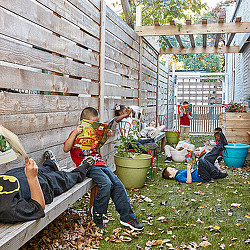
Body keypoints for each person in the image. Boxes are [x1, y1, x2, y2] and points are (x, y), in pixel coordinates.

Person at [64, 107, 144, 230]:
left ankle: (127, 217)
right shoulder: (76, 133)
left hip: (100, 163)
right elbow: (66, 148)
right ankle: (98, 214)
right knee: (106, 184)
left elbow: (98, 146)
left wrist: (105, 136)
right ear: (82, 121)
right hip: (86, 165)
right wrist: (75, 133)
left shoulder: (94, 133)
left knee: (117, 184)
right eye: (92, 123)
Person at [0, 151, 95, 223]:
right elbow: (38, 207)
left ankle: (50, 165)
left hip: (19, 174)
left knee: (44, 169)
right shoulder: (7, 210)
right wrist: (32, 177)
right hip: (43, 184)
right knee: (65, 178)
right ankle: (81, 170)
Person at [162, 131, 228, 183]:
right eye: (170, 169)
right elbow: (188, 181)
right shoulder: (178, 176)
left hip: (201, 171)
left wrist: (194, 163)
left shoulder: (180, 172)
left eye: (170, 167)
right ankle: (216, 174)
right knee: (202, 160)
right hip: (203, 177)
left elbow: (193, 171)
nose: (172, 168)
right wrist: (188, 169)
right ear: (170, 176)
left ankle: (221, 144)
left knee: (207, 157)